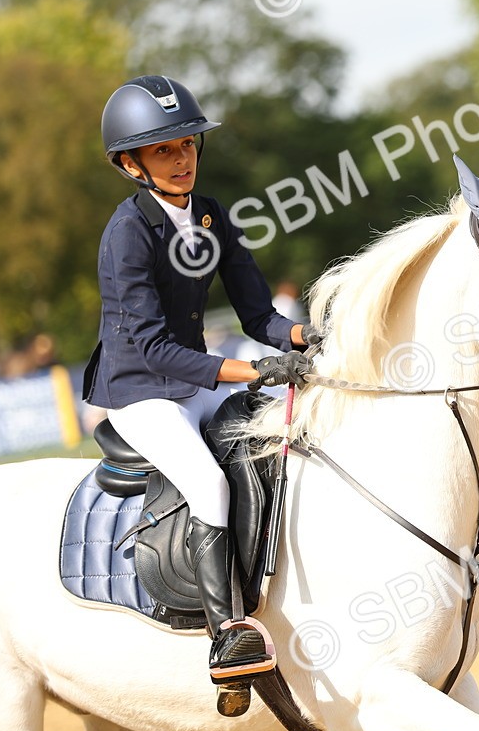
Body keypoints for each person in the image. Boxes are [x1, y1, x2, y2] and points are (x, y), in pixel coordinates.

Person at [82, 75, 319, 684]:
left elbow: (260, 316)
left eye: (187, 144)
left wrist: (308, 337)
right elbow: (156, 349)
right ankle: (228, 636)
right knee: (210, 485)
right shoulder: (127, 233)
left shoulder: (210, 215)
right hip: (141, 393)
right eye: (164, 149)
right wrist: (253, 370)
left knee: (290, 438)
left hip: (194, 380)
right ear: (131, 164)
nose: (182, 157)